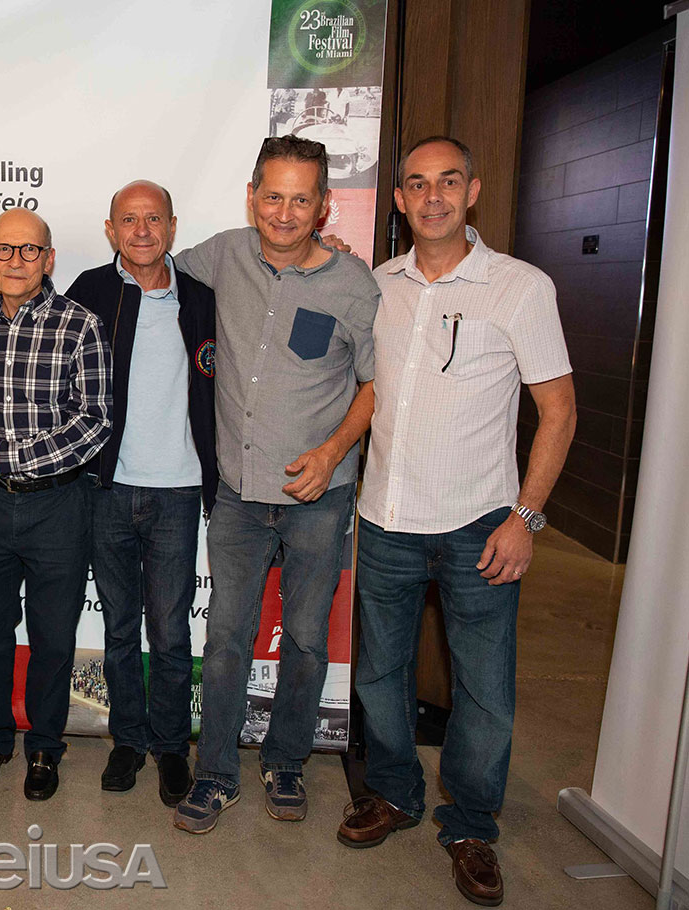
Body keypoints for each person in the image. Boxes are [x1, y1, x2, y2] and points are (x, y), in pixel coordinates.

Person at [338, 136, 576, 908]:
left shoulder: (520, 287)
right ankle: (394, 793)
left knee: (483, 688)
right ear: (399, 199)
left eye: (447, 181)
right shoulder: (379, 285)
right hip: (386, 519)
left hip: (481, 524)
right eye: (416, 184)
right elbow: (366, 389)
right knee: (380, 675)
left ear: (472, 191)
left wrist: (525, 518)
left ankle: (470, 825)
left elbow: (559, 411)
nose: (432, 196)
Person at [170, 135, 379, 833]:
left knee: (309, 640)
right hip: (237, 493)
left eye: (300, 200)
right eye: (273, 196)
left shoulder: (355, 286)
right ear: (252, 197)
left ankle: (286, 761)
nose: (284, 213)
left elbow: (377, 385)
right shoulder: (223, 254)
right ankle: (216, 775)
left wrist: (332, 451)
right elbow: (154, 262)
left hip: (319, 497)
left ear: (324, 207)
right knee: (225, 639)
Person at [65, 180, 217, 808]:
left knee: (172, 632)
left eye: (154, 219)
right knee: (121, 628)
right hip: (107, 489)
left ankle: (172, 746)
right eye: (129, 220)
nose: (143, 231)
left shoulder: (203, 297)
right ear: (111, 230)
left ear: (172, 226)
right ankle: (127, 741)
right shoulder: (90, 291)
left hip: (178, 491)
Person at [0, 208, 112, 801]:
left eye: (30, 250)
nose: (16, 261)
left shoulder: (80, 326)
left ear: (49, 260)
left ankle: (45, 747)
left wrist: (12, 457)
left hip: (58, 506)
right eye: (4, 249)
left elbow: (94, 423)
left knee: (53, 636)